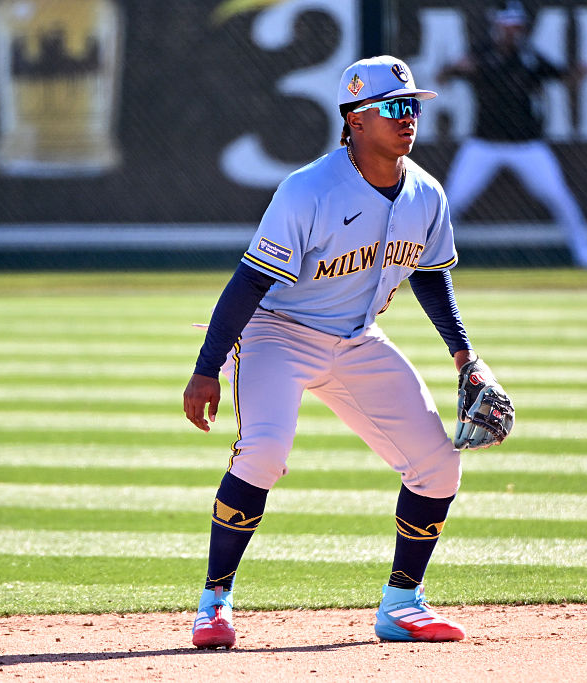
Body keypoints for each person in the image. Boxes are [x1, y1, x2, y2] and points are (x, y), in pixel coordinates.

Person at [182, 55, 512, 649]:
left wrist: (466, 357)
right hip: (277, 332)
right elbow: (249, 281)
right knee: (264, 453)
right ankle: (215, 603)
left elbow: (432, 277)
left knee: (438, 464)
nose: (408, 117)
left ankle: (402, 604)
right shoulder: (309, 189)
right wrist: (207, 369)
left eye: (413, 105)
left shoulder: (426, 194)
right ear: (356, 120)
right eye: (393, 107)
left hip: (357, 339)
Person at [437, 1, 587, 270]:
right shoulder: (481, 54)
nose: (512, 32)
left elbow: (561, 76)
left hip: (527, 145)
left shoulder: (528, 56)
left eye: (516, 27)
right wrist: (452, 69)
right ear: (497, 27)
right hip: (485, 143)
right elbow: (443, 77)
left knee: (558, 196)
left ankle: (586, 253)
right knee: (452, 200)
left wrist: (579, 72)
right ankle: (432, 259)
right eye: (507, 26)